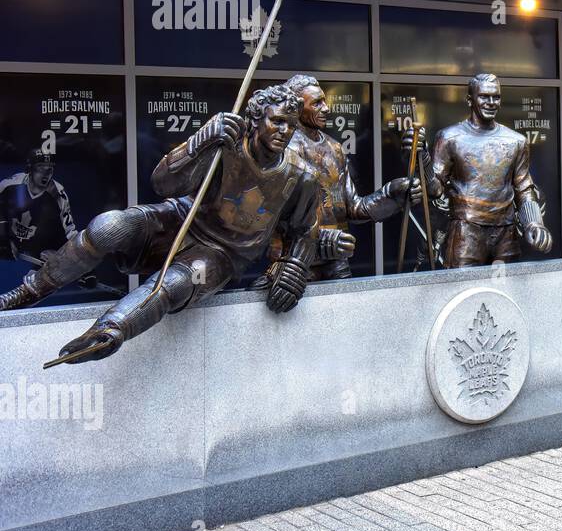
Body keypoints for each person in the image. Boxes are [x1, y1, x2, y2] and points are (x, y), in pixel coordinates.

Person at [0, 85, 323, 365]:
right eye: (277, 121)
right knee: (109, 226)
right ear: (255, 119)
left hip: (225, 252)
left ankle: (109, 332)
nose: (284, 131)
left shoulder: (301, 177)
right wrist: (198, 143)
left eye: (290, 125)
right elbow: (163, 184)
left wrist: (294, 266)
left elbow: (304, 230)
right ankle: (29, 291)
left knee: (177, 282)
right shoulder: (227, 145)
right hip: (180, 218)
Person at [257, 75, 420, 283]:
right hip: (293, 264)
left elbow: (353, 208)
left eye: (324, 101)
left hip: (336, 260)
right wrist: (320, 241)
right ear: (296, 107)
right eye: (317, 103)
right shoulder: (281, 149)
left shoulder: (334, 149)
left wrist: (392, 194)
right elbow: (269, 218)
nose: (326, 108)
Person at [409, 72, 551, 268]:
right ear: (470, 100)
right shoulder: (450, 138)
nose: (491, 102)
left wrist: (534, 223)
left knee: (505, 292)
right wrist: (422, 158)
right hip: (466, 233)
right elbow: (435, 190)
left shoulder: (516, 141)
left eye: (496, 97)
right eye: (484, 96)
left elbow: (524, 188)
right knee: (462, 291)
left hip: (505, 234)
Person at [0, 151, 76, 266]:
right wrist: (2, 237)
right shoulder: (9, 185)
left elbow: (70, 232)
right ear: (29, 169)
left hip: (40, 246)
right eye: (40, 168)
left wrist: (78, 263)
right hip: (9, 236)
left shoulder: (58, 196)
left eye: (49, 169)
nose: (46, 174)